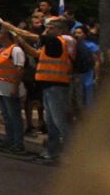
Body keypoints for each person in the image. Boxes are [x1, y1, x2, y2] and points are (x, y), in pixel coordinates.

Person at [5, 17, 74, 163]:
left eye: (51, 28)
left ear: (60, 30)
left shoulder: (56, 41)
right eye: (47, 28)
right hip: (49, 86)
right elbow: (36, 54)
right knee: (51, 123)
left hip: (57, 87)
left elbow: (31, 35)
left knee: (60, 122)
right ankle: (52, 152)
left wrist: (11, 26)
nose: (47, 30)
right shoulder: (51, 45)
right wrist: (22, 42)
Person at [0, 27, 27, 155]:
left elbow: (20, 69)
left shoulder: (15, 50)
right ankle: (9, 139)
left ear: (7, 35)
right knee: (6, 116)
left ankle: (18, 143)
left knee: (14, 116)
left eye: (0, 33)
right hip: (0, 88)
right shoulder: (1, 50)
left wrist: (15, 87)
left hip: (10, 87)